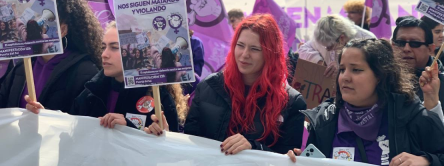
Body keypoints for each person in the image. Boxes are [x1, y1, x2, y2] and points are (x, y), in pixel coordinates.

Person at [287, 38, 444, 165]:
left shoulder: (411, 117)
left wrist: (427, 161)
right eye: (342, 69)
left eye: (356, 70)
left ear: (380, 76)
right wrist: (299, 160)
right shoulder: (323, 120)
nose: (345, 77)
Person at [173, 14, 306, 155]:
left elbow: (287, 157)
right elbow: (189, 145)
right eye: (240, 45)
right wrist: (164, 134)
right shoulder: (208, 87)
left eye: (254, 49)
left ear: (270, 54)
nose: (244, 54)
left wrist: (254, 148)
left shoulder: (292, 102)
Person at [25, 21, 188, 132]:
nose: (104, 54)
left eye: (114, 48)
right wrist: (44, 115)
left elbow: (169, 151)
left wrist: (135, 129)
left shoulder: (157, 97)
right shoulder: (90, 93)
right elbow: (70, 133)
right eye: (103, 47)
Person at [0, 0, 102, 113]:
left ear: (63, 30)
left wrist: (46, 116)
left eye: (45, 20)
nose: (38, 22)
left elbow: (84, 120)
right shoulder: (22, 67)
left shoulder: (84, 72)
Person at [391, 16, 444, 117]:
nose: (406, 49)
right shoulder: (380, 80)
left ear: (430, 49)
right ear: (392, 45)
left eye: (415, 43)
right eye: (400, 43)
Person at [298, 15, 375, 78]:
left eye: (330, 46)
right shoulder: (323, 36)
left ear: (342, 38)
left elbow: (371, 69)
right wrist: (319, 62)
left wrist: (341, 67)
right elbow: (303, 49)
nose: (327, 50)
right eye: (324, 46)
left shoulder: (367, 39)